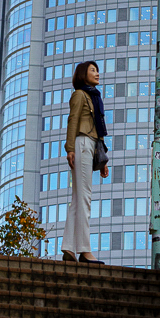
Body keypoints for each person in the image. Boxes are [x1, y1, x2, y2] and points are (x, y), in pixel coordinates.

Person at [62, 60, 110, 263]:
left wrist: (103, 160)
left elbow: (98, 131)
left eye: (97, 70)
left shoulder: (94, 97)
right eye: (93, 70)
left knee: (78, 199)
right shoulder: (80, 95)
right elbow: (73, 120)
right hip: (81, 143)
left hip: (91, 146)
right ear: (83, 74)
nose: (97, 73)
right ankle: (84, 249)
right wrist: (70, 147)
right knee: (84, 198)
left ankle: (69, 248)